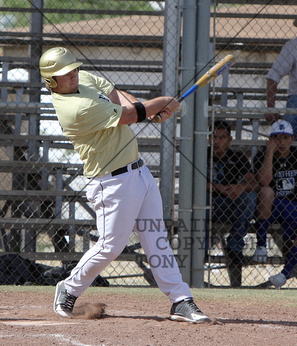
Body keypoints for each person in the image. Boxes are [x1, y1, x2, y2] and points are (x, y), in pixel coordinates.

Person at [39, 46, 210, 324]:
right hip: (110, 181)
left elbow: (119, 97)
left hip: (139, 173)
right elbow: (128, 116)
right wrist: (160, 103)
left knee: (157, 239)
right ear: (50, 82)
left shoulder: (84, 80)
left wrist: (150, 110)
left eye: (72, 69)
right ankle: (69, 288)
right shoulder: (74, 108)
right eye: (63, 73)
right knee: (110, 246)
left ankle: (180, 300)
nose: (72, 74)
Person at [207, 120, 257, 287]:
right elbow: (194, 182)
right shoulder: (201, 154)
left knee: (249, 197)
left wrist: (240, 187)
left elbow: (254, 183)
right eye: (214, 137)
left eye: (222, 137)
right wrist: (219, 188)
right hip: (209, 203)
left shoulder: (238, 157)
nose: (217, 141)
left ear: (229, 139)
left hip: (231, 203)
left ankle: (235, 246)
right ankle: (204, 245)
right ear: (208, 139)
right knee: (201, 199)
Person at [252, 120, 297, 288]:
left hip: (294, 206)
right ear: (270, 140)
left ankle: (284, 275)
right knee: (266, 191)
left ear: (292, 139)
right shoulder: (262, 155)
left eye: (285, 137)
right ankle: (261, 245)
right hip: (271, 207)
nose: (281, 142)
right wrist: (269, 153)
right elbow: (265, 181)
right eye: (276, 138)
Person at [265, 17, 297, 140]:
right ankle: (291, 154)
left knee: (290, 125)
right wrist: (270, 107)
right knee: (288, 128)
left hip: (296, 99)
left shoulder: (292, 46)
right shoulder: (293, 46)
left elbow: (273, 76)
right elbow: (273, 76)